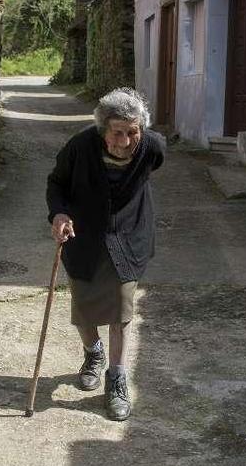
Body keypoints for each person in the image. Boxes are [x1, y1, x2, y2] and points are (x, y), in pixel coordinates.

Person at [46, 87, 165, 421]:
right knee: (84, 308)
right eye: (117, 133)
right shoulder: (81, 146)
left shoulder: (152, 147)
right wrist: (59, 214)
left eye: (132, 133)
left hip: (129, 237)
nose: (125, 142)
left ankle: (116, 378)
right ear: (103, 129)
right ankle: (93, 352)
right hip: (84, 236)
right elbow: (56, 184)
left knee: (121, 311)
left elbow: (153, 160)